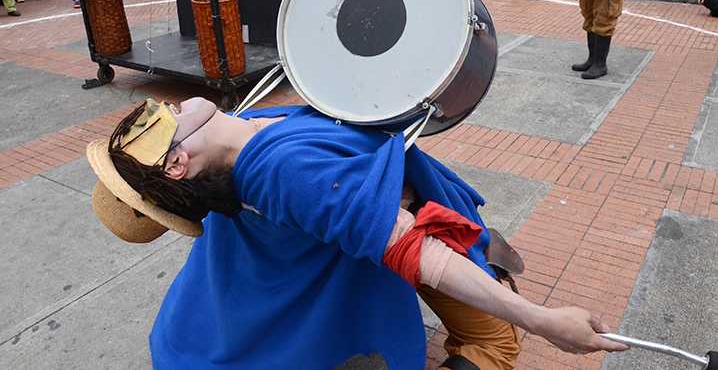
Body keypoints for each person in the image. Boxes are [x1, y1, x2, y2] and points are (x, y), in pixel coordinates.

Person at [85, 97, 628, 369]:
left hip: (389, 219)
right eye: (154, 120)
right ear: (176, 164)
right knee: (497, 338)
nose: (165, 105)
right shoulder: (283, 173)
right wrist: (542, 319)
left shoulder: (243, 124)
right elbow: (416, 252)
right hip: (403, 230)